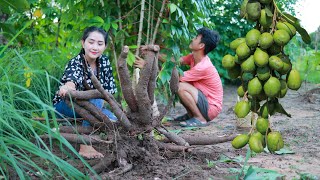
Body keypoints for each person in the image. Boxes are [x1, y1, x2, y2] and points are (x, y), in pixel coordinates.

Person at [134, 27, 223, 127]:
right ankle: (191, 115)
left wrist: (146, 65)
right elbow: (174, 60)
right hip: (205, 102)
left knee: (180, 86)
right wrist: (154, 53)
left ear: (201, 45)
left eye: (196, 38)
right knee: (180, 86)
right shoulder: (194, 57)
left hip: (211, 108)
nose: (192, 39)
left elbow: (173, 79)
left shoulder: (203, 67)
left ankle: (200, 119)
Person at [52, 26, 118, 159]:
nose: (95, 47)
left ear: (105, 46)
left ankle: (72, 128)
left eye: (100, 44)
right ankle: (85, 144)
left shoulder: (104, 62)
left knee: (113, 119)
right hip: (66, 106)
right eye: (91, 42)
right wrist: (67, 87)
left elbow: (109, 93)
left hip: (91, 108)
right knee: (96, 97)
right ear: (83, 43)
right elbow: (71, 81)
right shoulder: (76, 62)